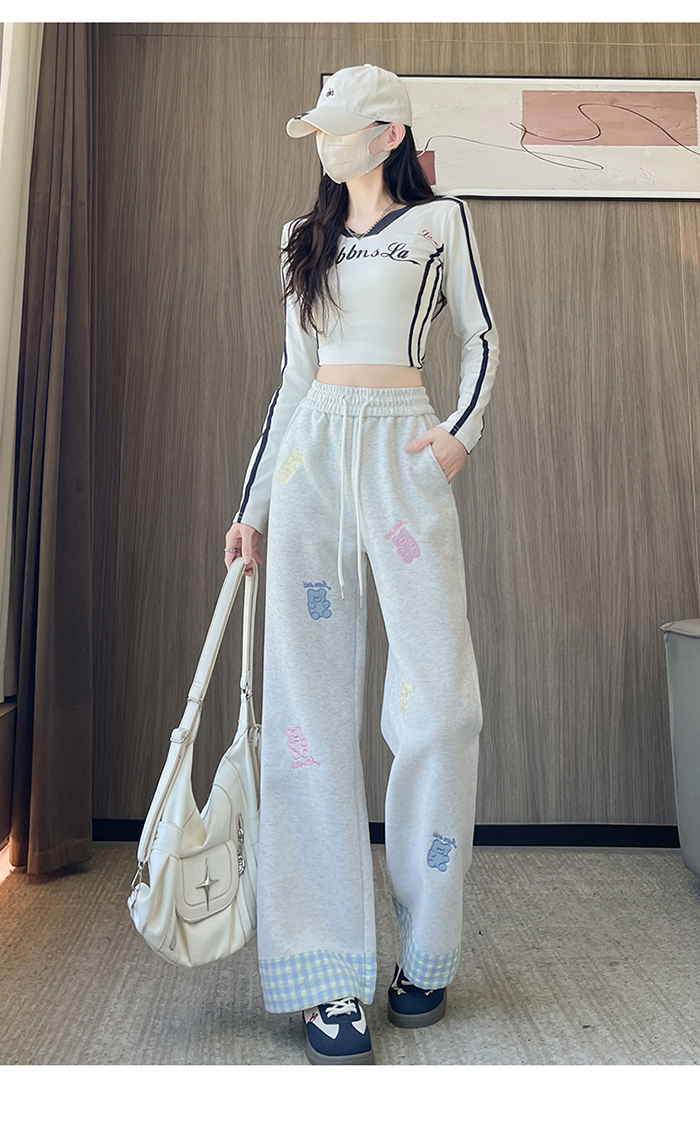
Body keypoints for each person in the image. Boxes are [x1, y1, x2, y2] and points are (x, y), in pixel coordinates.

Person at [225, 63, 500, 1065]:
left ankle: (424, 950)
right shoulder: (299, 240)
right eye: (318, 131)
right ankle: (326, 973)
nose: (324, 143)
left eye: (338, 128)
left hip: (402, 451)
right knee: (308, 718)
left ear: (387, 135)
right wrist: (252, 506)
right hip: (313, 464)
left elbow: (482, 336)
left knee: (441, 707)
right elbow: (292, 382)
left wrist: (458, 433)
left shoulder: (440, 224)